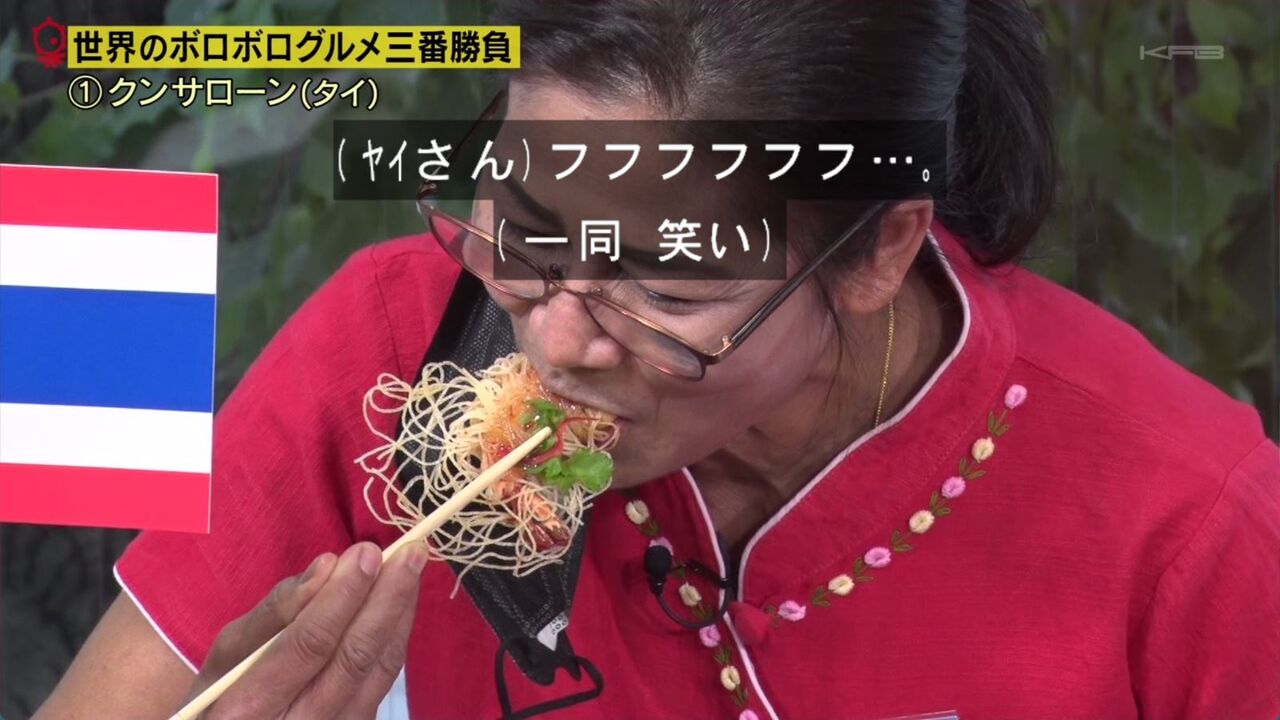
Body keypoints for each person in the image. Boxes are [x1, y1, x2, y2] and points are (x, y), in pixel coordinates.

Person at [37, 2, 1280, 719]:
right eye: (524, 228)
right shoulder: (392, 348)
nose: (553, 341)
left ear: (877, 251)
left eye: (668, 289)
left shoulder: (1187, 521)